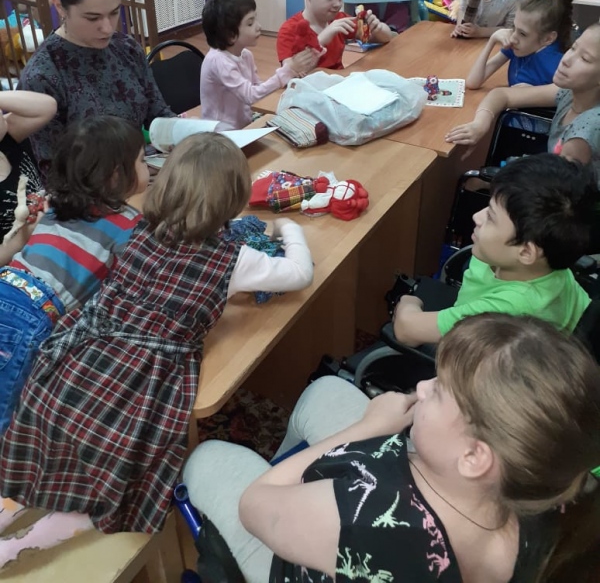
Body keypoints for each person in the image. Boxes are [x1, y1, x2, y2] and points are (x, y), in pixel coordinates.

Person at [0, 132, 313, 567]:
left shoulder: (137, 229)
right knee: (114, 489)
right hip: (136, 384)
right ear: (235, 197)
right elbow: (299, 273)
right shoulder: (235, 258)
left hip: (74, 360)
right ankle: (14, 549)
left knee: (46, 457)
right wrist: (291, 228)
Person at [183, 313, 600, 583]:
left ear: (474, 456)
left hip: (320, 541)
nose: (422, 386)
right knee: (326, 391)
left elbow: (253, 504)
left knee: (210, 459)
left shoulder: (370, 522)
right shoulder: (548, 490)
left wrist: (367, 428)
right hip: (418, 501)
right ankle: (292, 484)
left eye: (440, 390)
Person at [0, 115, 146, 432]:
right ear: (116, 175)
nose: (146, 167)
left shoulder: (56, 204)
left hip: (7, 286)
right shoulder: (129, 225)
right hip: (31, 312)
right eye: (143, 160)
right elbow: (137, 283)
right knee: (7, 411)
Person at [393, 153, 595, 347]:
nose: (477, 217)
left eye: (491, 216)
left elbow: (406, 331)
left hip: (488, 357)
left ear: (526, 252)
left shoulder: (510, 311)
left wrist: (410, 301)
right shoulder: (547, 256)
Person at [18, 0, 174, 179]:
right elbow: (55, 173)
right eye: (92, 18)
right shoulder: (42, 76)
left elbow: (158, 114)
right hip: (92, 193)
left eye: (114, 13)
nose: (107, 28)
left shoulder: (126, 48)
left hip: (142, 173)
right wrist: (126, 178)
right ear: (59, 7)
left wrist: (189, 133)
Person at [446, 23, 600, 177]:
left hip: (550, 186)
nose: (567, 59)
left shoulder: (583, 134)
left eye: (584, 59)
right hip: (547, 174)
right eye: (573, 48)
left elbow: (558, 188)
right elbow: (502, 95)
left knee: (472, 181)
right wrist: (480, 124)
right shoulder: (568, 92)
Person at [200, 0, 318, 129]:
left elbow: (258, 88)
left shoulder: (246, 55)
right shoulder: (219, 61)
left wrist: (291, 76)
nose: (259, 26)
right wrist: (287, 71)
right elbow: (251, 96)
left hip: (244, 124)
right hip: (221, 133)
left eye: (255, 19)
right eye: (250, 23)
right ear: (231, 35)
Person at [277, 0, 394, 71]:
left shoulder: (339, 19)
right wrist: (322, 39)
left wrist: (377, 28)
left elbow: (387, 37)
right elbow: (287, 73)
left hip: (339, 80)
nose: (338, 4)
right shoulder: (289, 30)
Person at [465, 0, 573, 90]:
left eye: (522, 34)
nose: (513, 38)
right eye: (514, 27)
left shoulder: (557, 64)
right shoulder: (516, 46)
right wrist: (492, 41)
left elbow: (569, 97)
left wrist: (535, 93)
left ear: (548, 39)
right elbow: (472, 82)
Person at [0, 91, 56, 257]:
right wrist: (23, 237)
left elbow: (47, 107)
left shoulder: (7, 140)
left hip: (50, 237)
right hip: (22, 264)